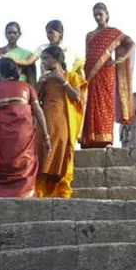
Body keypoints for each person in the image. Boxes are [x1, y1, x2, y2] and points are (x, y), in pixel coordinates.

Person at [0, 57, 50, 197]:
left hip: (2, 134)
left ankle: (1, 195)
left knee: (3, 164)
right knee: (25, 162)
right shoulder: (27, 87)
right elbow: (38, 111)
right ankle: (25, 195)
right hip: (23, 133)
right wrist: (46, 136)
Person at [79, 2, 135, 148]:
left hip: (106, 72)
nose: (98, 17)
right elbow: (87, 55)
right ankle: (89, 138)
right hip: (90, 73)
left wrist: (122, 58)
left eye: (100, 14)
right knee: (90, 104)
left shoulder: (114, 33)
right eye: (95, 15)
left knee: (106, 104)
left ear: (107, 15)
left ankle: (106, 139)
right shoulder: (89, 35)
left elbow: (131, 43)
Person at [36, 45, 87, 198]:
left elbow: (77, 98)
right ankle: (40, 191)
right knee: (43, 154)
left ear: (57, 59)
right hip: (45, 122)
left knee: (62, 155)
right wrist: (41, 82)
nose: (43, 62)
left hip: (64, 122)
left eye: (46, 58)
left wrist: (62, 80)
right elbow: (36, 100)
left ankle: (62, 190)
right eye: (42, 59)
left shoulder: (72, 77)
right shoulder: (45, 79)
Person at [15, 20, 82, 79]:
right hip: (48, 81)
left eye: (51, 32)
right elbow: (28, 61)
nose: (48, 35)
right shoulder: (42, 48)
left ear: (60, 33)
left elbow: (80, 66)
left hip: (67, 81)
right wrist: (10, 59)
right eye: (47, 33)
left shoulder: (69, 47)